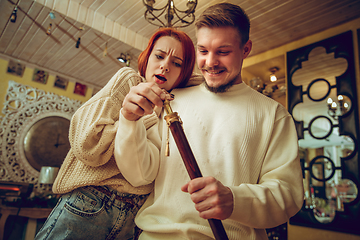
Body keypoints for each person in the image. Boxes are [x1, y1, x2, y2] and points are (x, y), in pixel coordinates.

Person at [114, 3, 304, 240]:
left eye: (223, 52)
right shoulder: (173, 100)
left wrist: (236, 200)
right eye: (203, 51)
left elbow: (288, 195)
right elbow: (140, 175)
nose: (210, 62)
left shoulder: (273, 114)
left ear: (246, 49)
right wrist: (129, 121)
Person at [34, 27, 197, 240]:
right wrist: (133, 117)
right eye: (159, 56)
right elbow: (87, 144)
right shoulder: (129, 80)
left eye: (177, 63)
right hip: (90, 201)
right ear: (147, 59)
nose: (165, 66)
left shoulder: (172, 106)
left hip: (135, 217)